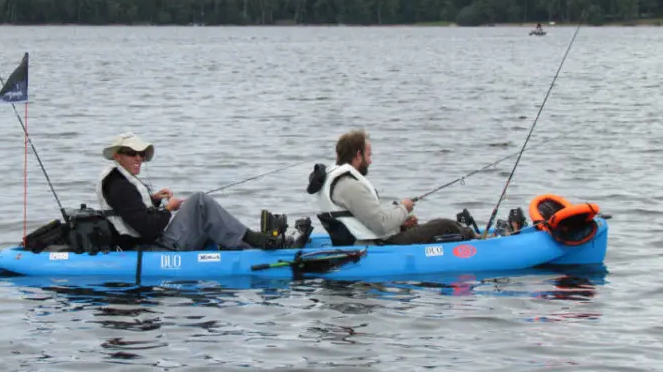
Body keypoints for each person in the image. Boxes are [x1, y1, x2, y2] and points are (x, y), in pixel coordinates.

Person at [94, 132, 283, 251]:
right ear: (117, 156)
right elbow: (147, 227)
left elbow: (131, 211)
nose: (138, 158)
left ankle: (254, 245)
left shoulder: (118, 181)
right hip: (151, 250)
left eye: (141, 154)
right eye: (130, 153)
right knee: (199, 201)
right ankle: (258, 241)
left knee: (205, 219)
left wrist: (154, 200)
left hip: (150, 243)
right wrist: (168, 209)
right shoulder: (119, 185)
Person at [310, 129, 475, 246]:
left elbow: (366, 217)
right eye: (369, 155)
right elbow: (380, 225)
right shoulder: (349, 185)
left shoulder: (338, 181)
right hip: (378, 244)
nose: (371, 160)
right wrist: (404, 209)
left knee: (433, 226)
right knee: (444, 225)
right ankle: (478, 243)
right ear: (358, 156)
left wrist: (400, 223)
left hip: (368, 238)